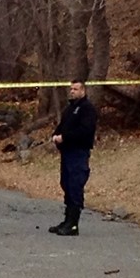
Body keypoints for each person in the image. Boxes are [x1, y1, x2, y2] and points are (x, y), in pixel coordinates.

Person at [48, 79, 98, 236]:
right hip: (67, 152)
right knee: (66, 184)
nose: (72, 91)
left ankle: (73, 224)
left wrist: (65, 137)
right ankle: (67, 219)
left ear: (83, 90)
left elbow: (85, 131)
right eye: (71, 89)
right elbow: (62, 126)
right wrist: (56, 135)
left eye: (76, 89)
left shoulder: (87, 109)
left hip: (79, 152)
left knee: (76, 185)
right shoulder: (70, 109)